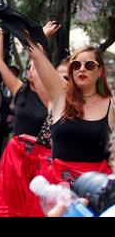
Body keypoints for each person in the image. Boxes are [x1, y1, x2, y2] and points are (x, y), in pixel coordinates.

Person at [25, 40, 114, 190]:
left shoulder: (111, 105)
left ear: (100, 71)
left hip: (97, 190)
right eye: (76, 65)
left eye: (89, 65)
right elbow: (37, 57)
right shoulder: (60, 95)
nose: (82, 69)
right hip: (58, 190)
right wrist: (39, 38)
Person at [0, 28, 49, 217]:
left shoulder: (52, 97)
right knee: (10, 206)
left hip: (41, 159)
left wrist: (42, 38)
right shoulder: (19, 90)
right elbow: (0, 62)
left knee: (34, 206)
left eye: (38, 66)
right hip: (15, 157)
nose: (34, 69)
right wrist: (1, 32)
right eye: (31, 66)